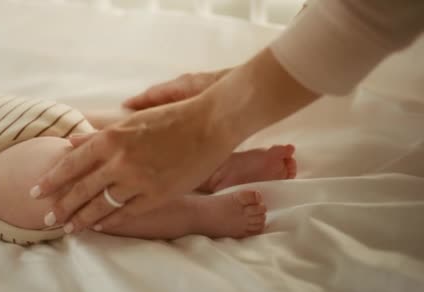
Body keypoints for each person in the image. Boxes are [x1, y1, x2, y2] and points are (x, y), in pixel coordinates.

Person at [0, 52, 297, 245]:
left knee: (123, 129)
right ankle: (194, 212)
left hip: (23, 116)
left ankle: (211, 162)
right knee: (68, 188)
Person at [31, 0, 424, 234]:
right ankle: (196, 206)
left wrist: (213, 119)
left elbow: (370, 13)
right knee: (40, 180)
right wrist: (227, 94)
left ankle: (211, 166)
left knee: (72, 127)